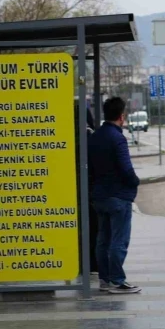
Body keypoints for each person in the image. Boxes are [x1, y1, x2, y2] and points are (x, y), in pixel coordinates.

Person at [88, 97, 141, 294]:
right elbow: (126, 169)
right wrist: (135, 182)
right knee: (119, 240)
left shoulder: (95, 136)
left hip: (99, 196)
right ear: (121, 116)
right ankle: (117, 281)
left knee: (103, 239)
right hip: (118, 196)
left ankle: (104, 279)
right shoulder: (117, 138)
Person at [73, 101, 97, 274]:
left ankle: (82, 262)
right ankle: (91, 263)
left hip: (77, 188)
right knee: (92, 227)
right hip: (90, 189)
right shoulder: (90, 136)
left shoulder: (69, 135)